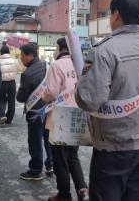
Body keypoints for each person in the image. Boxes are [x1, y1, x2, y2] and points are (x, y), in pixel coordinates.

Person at [75, 0, 139, 201]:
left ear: (116, 15)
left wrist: (80, 84)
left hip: (115, 143)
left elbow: (89, 100)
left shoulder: (104, 50)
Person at [42, 38, 88, 201]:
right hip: (78, 112)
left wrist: (43, 96)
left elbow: (51, 93)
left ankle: (64, 194)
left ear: (61, 48)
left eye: (56, 47)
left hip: (61, 116)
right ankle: (82, 189)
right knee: (72, 156)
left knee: (60, 159)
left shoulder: (57, 65)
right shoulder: (80, 65)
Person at [17, 43, 53, 181]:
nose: (21, 59)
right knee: (48, 138)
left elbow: (21, 97)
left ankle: (35, 170)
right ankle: (50, 164)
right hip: (49, 108)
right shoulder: (48, 65)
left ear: (30, 56)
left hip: (35, 112)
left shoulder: (27, 73)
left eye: (22, 56)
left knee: (35, 140)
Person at [0, 45, 20, 125]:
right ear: (9, 52)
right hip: (12, 82)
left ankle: (2, 115)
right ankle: (9, 119)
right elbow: (18, 69)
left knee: (1, 100)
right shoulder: (15, 61)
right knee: (11, 101)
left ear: (1, 52)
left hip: (2, 83)